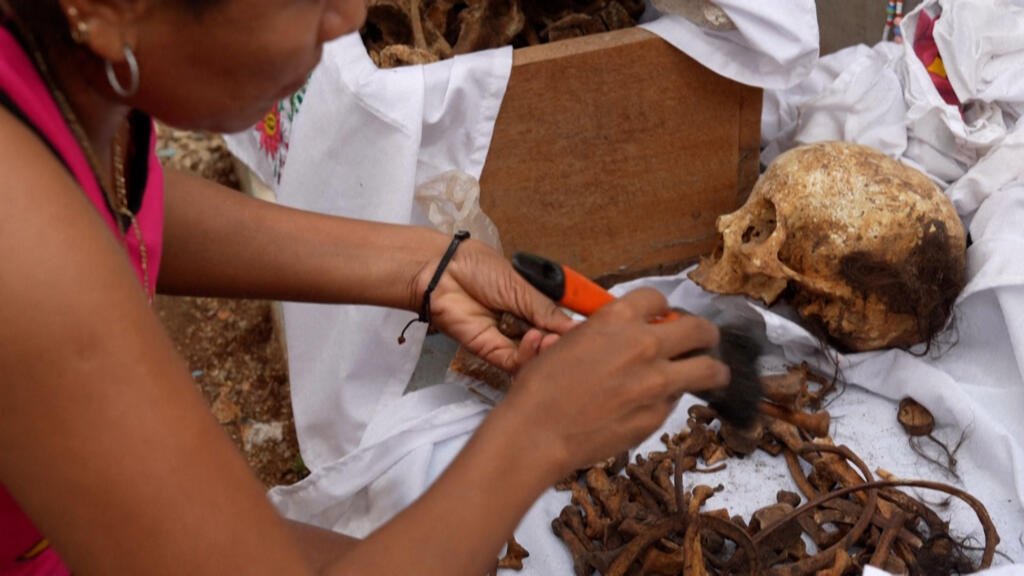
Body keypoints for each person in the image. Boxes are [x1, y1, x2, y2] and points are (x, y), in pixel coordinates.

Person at [0, 0, 730, 574]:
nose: (349, 18)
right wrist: (542, 430)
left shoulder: (52, 69)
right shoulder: (20, 240)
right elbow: (59, 259)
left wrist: (421, 265)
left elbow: (123, 209)